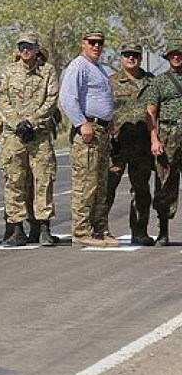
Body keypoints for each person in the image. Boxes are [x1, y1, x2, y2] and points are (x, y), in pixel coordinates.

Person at [0, 33, 59, 247]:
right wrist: (17, 123)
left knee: (43, 180)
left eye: (30, 46)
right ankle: (16, 229)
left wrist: (31, 122)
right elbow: (3, 100)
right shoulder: (8, 72)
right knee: (14, 181)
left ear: (36, 48)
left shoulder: (47, 71)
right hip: (14, 136)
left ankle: (43, 227)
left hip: (39, 135)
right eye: (22, 46)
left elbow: (52, 99)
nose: (26, 50)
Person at [59, 30, 115, 247]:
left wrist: (109, 119)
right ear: (83, 43)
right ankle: (81, 232)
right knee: (85, 184)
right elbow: (68, 98)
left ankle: (99, 230)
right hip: (87, 132)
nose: (96, 46)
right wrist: (81, 123)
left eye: (100, 43)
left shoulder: (98, 68)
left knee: (100, 184)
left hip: (101, 131)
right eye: (92, 42)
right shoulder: (78, 66)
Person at [105, 43, 155, 246]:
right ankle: (100, 230)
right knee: (108, 187)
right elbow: (104, 108)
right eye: (127, 55)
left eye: (135, 55)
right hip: (117, 144)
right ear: (121, 58)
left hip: (141, 144)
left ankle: (140, 231)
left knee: (141, 189)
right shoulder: (111, 82)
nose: (131, 58)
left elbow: (155, 111)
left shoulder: (151, 82)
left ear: (140, 58)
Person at [145, 39, 182, 246]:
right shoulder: (159, 81)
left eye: (180, 53)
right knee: (165, 181)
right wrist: (154, 138)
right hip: (168, 133)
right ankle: (163, 230)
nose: (177, 57)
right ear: (168, 57)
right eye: (173, 54)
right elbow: (151, 111)